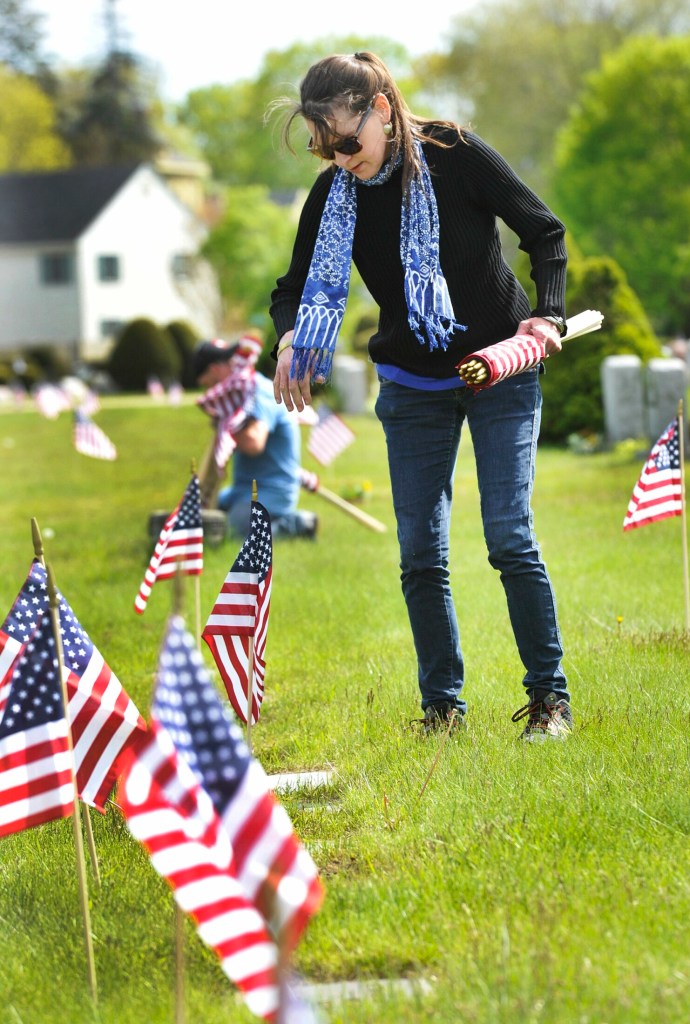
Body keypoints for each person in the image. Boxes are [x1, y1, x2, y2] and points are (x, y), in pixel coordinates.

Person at [269, 51, 570, 740]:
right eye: (323, 147)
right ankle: (442, 709)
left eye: (347, 141)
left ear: (381, 110)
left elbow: (543, 231)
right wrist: (290, 339)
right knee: (419, 555)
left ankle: (549, 701)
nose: (340, 159)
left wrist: (545, 314)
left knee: (508, 537)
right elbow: (291, 290)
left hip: (499, 369)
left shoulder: (455, 154)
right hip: (411, 389)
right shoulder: (334, 193)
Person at [193, 339, 318, 540]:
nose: (209, 392)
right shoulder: (240, 396)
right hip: (242, 490)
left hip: (272, 491)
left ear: (215, 370)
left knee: (233, 531)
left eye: (208, 384)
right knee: (202, 519)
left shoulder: (260, 392)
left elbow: (253, 443)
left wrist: (225, 425)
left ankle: (297, 524)